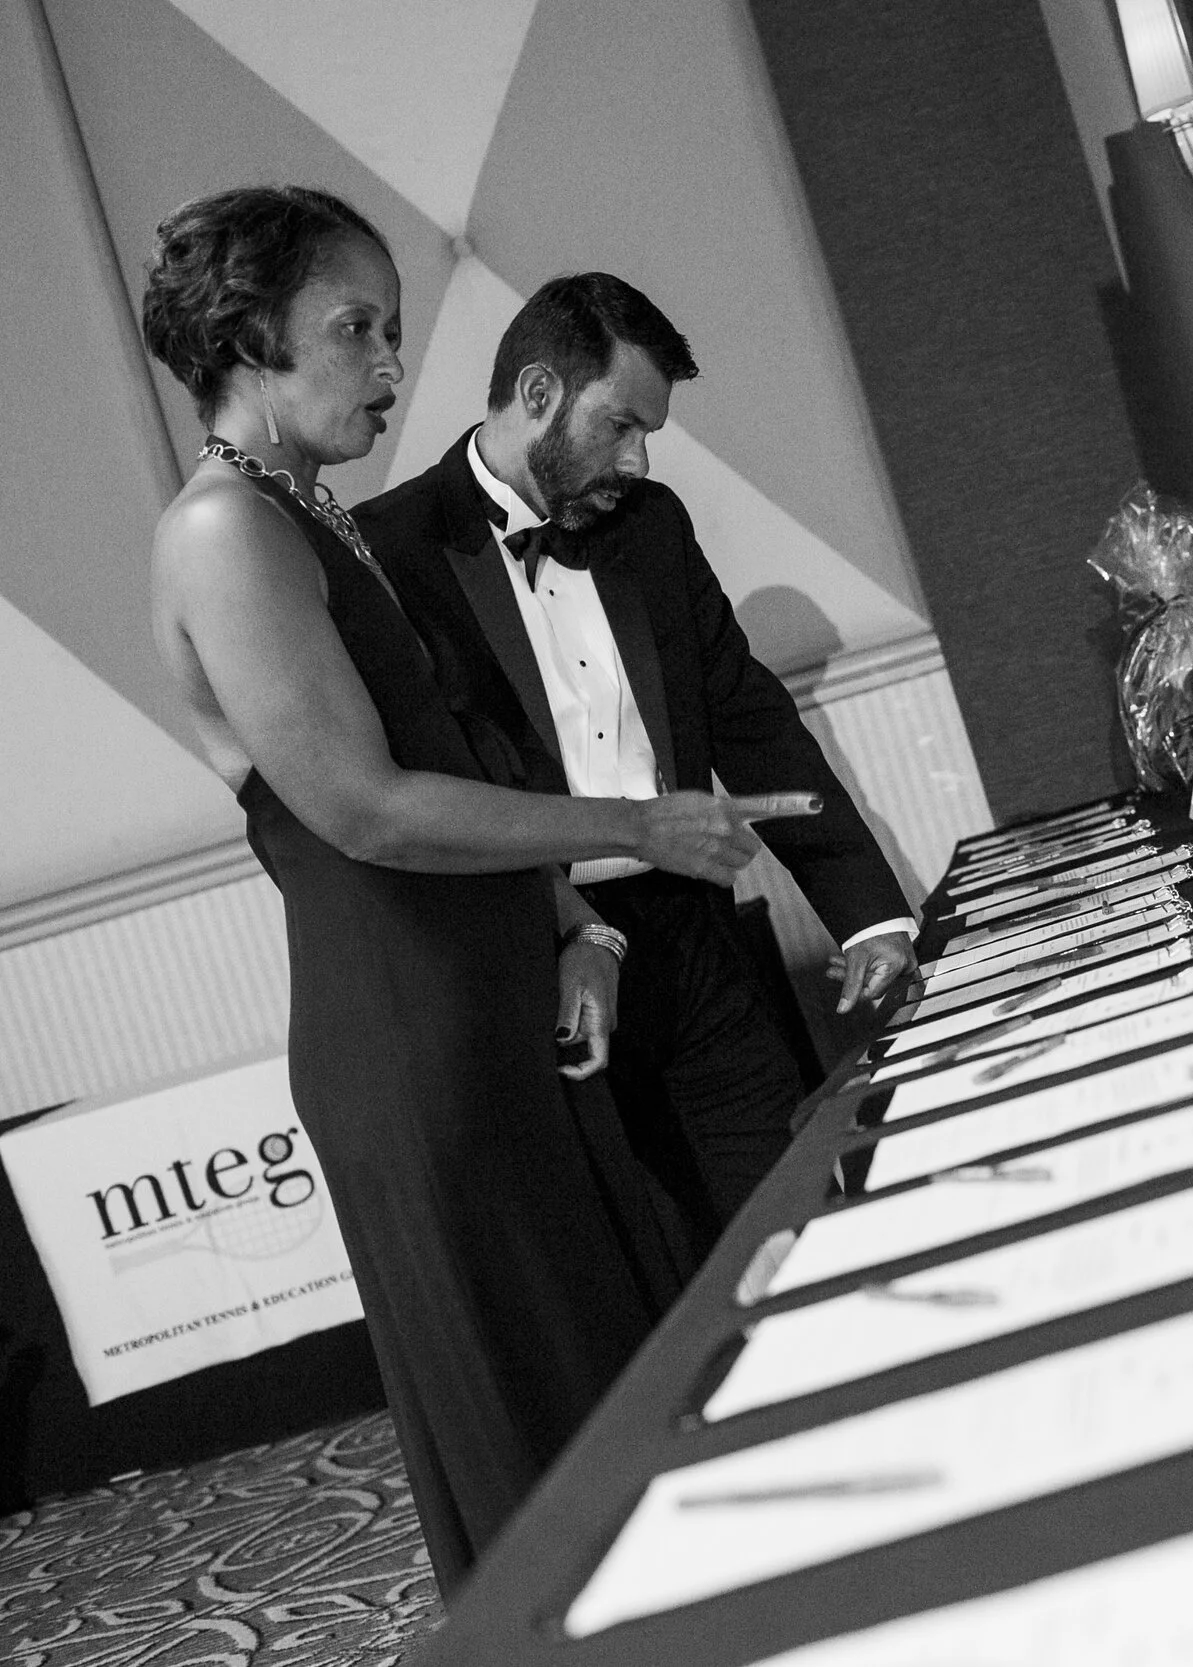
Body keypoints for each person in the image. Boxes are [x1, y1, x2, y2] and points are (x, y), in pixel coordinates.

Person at [142, 185, 817, 1585]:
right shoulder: (223, 531)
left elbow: (448, 756)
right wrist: (633, 825)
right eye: (358, 328)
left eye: (392, 328)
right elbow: (365, 807)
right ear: (252, 335)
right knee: (548, 1459)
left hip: (500, 1017)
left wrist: (577, 924)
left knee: (621, 1398)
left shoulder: (312, 514)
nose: (392, 362)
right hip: (418, 1047)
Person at [355, 273, 919, 1249]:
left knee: (804, 1228)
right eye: (619, 425)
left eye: (647, 432)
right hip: (541, 963)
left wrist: (865, 910)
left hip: (697, 941)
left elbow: (748, 716)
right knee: (649, 1270)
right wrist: (561, 931)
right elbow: (413, 795)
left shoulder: (650, 525)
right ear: (538, 392)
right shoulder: (390, 552)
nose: (638, 458)